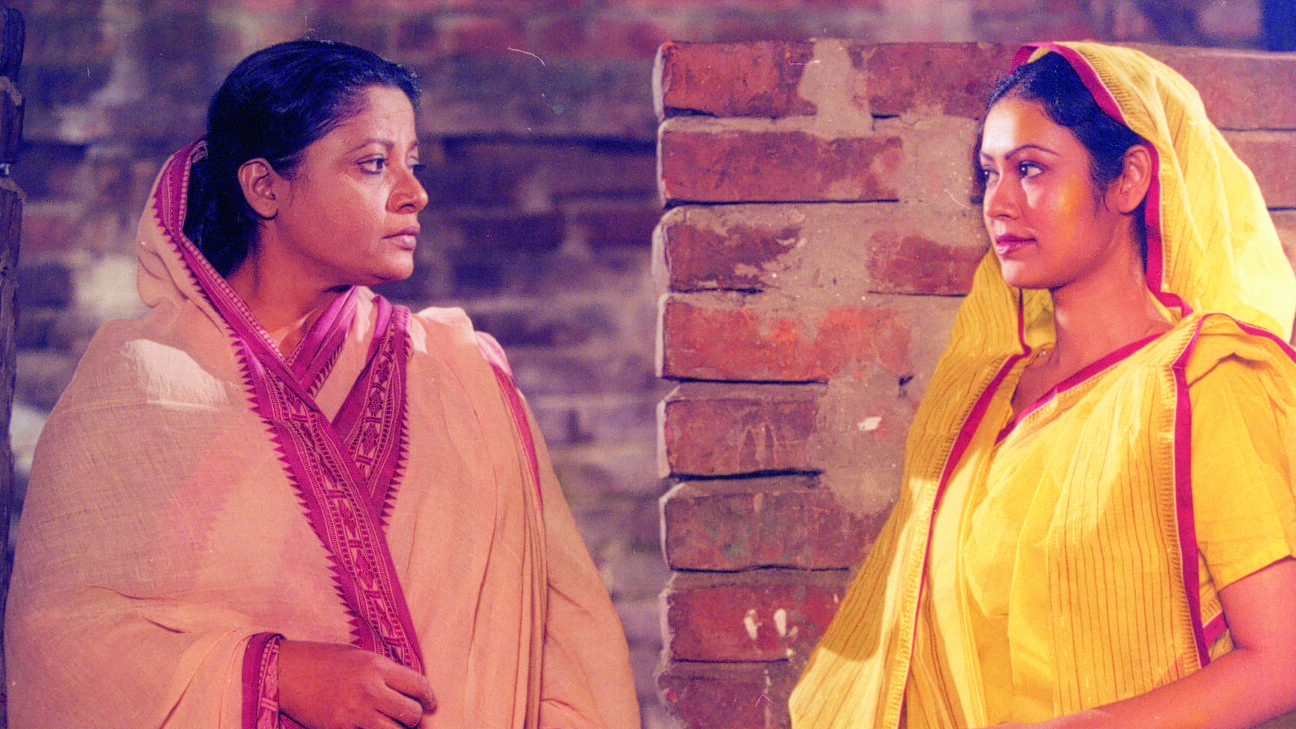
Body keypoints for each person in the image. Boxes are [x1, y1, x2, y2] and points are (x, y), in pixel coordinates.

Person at [4, 39, 640, 729]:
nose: (415, 192)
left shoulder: (462, 375)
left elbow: (571, 654)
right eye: (374, 163)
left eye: (414, 162)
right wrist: (280, 674)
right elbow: (59, 643)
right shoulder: (137, 384)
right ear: (264, 187)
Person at [790, 42, 1296, 729]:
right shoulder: (980, 400)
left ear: (1128, 179)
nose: (997, 203)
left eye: (1030, 169)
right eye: (989, 172)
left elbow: (1281, 660)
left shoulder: (1204, 384)